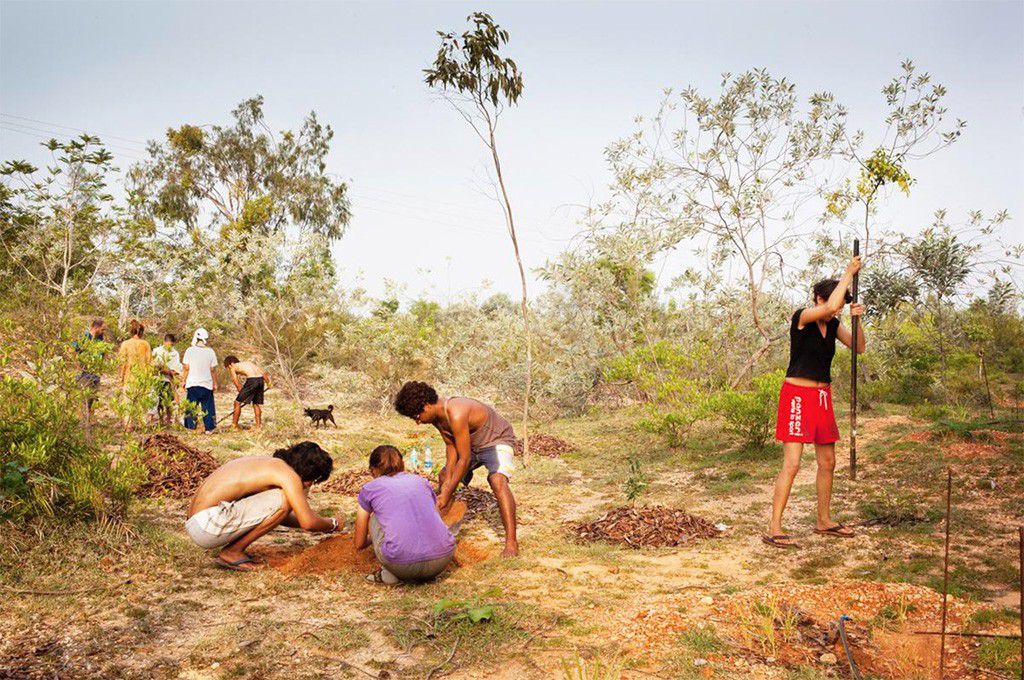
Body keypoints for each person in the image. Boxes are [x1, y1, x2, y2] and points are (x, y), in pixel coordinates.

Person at [764, 255, 866, 549]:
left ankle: (823, 521)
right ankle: (775, 527)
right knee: (793, 464)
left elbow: (859, 347)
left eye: (841, 306)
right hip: (797, 395)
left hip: (822, 396)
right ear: (819, 298)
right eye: (833, 303)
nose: (836, 311)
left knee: (828, 461)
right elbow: (831, 306)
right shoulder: (802, 317)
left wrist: (858, 320)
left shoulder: (833, 326)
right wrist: (849, 272)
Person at [393, 381, 519, 557]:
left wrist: (447, 492)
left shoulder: (456, 412)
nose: (417, 422)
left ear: (427, 406)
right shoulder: (436, 418)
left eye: (417, 416)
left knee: (497, 480)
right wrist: (446, 484)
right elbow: (452, 449)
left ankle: (511, 543)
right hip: (470, 446)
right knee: (445, 476)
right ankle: (438, 531)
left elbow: (464, 459)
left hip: (495, 440)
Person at [186, 441, 340, 571]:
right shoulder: (288, 475)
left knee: (284, 502)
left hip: (198, 523)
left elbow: (280, 516)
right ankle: (232, 552)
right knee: (286, 499)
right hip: (207, 526)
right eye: (313, 481)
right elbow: (308, 522)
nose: (310, 485)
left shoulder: (269, 465)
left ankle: (233, 551)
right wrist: (333, 524)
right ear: (310, 475)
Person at [353, 445, 457, 584]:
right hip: (441, 561)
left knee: (375, 517)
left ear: (373, 470)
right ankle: (424, 571)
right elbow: (434, 513)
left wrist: (374, 537)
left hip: (401, 565)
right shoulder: (421, 482)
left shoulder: (370, 489)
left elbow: (359, 543)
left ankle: (388, 574)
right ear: (403, 465)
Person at [117, 319, 153, 433]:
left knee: (127, 404)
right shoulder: (145, 344)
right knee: (142, 406)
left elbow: (122, 363)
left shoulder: (125, 344)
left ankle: (128, 427)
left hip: (129, 378)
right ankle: (143, 427)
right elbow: (150, 363)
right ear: (141, 332)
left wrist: (120, 377)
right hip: (142, 378)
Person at [181, 328, 218, 434]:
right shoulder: (210, 351)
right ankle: (209, 429)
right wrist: (215, 383)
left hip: (193, 383)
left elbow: (186, 368)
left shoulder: (190, 350)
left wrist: (183, 380)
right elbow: (212, 369)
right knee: (208, 407)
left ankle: (190, 428)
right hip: (206, 383)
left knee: (191, 406)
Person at [223, 356, 271, 432]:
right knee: (255, 403)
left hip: (252, 380)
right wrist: (269, 383)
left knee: (237, 402)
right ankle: (258, 427)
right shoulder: (248, 363)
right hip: (260, 380)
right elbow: (263, 373)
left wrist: (240, 391)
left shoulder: (233, 367)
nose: (229, 369)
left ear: (231, 363)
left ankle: (234, 426)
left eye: (228, 367)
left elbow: (235, 379)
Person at [74, 317, 108, 418]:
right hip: (84, 373)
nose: (103, 331)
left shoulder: (100, 339)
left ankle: (91, 420)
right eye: (102, 329)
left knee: (93, 398)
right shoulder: (84, 337)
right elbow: (74, 351)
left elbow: (104, 353)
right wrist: (78, 367)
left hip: (96, 373)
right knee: (84, 398)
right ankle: (83, 421)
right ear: (96, 327)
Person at [152, 333, 183, 426]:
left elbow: (176, 368)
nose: (170, 347)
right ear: (164, 342)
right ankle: (161, 419)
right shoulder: (157, 351)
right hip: (159, 378)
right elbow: (155, 365)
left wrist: (172, 374)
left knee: (169, 401)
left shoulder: (175, 353)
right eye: (168, 344)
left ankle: (169, 419)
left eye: (172, 345)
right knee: (160, 401)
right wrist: (165, 370)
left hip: (170, 380)